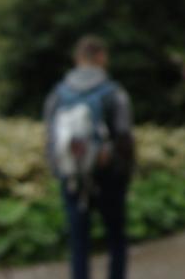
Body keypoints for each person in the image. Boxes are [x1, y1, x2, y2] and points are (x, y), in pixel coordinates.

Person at [43, 35, 134, 279]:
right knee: (115, 235)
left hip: (72, 176)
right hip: (108, 175)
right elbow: (124, 137)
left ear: (76, 59)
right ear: (101, 58)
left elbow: (50, 138)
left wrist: (61, 170)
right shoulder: (113, 93)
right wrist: (126, 172)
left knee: (78, 240)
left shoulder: (58, 94)